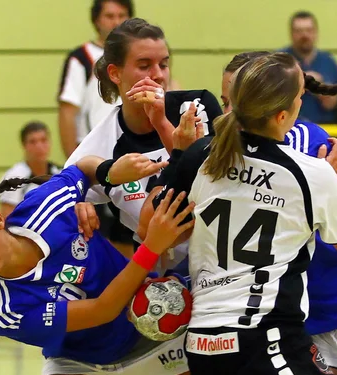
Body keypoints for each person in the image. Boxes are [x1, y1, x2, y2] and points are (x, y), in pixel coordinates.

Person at [141, 51, 337, 375]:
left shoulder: (213, 154)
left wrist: (180, 152)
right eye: (223, 102)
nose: (225, 113)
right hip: (276, 324)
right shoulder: (221, 155)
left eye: (231, 102)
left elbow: (157, 227)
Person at [0, 152, 196, 375]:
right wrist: (152, 246)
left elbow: (82, 169)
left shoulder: (45, 208)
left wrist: (109, 171)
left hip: (150, 337)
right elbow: (102, 310)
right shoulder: (0, 310)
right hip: (81, 362)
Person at [65, 18, 222, 272]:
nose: (158, 76)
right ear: (115, 73)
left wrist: (161, 122)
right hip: (161, 278)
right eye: (144, 66)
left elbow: (217, 179)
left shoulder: (197, 106)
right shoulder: (101, 142)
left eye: (163, 64)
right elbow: (57, 193)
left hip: (220, 261)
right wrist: (78, 202)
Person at [58, 0, 134, 158]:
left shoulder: (139, 56)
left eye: (122, 16)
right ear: (97, 20)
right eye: (110, 16)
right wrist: (73, 162)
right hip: (94, 154)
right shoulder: (81, 58)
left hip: (133, 149)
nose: (116, 21)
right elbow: (67, 112)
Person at [279, 11, 337, 123]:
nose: (304, 35)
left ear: (316, 33)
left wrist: (321, 86)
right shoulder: (280, 60)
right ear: (291, 34)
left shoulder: (328, 61)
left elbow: (334, 104)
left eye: (309, 30)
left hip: (325, 129)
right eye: (299, 31)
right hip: (288, 129)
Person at [0, 121, 61, 217]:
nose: (39, 147)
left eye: (43, 140)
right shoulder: (13, 177)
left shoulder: (59, 174)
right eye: (33, 142)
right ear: (24, 146)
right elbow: (7, 218)